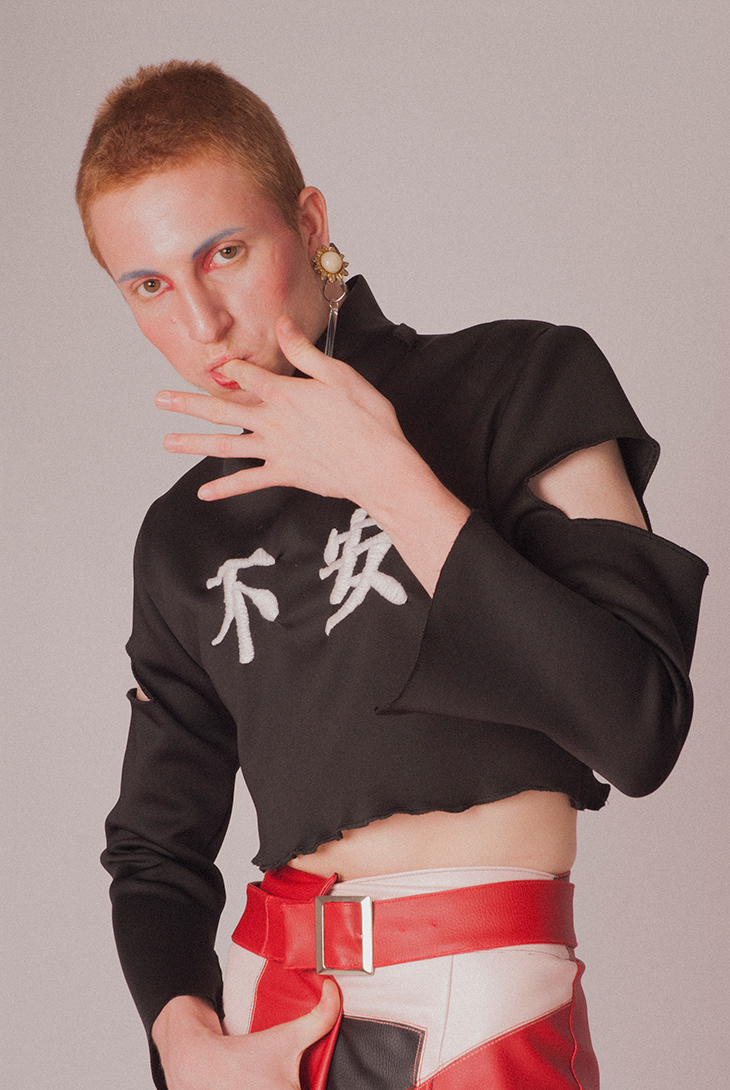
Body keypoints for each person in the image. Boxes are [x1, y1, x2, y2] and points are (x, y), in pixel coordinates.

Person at [77, 60, 707, 1090]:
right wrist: (185, 1044)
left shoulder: (521, 382)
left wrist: (387, 478)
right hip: (274, 1014)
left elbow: (639, 724)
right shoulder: (183, 537)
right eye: (149, 286)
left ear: (308, 222)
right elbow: (155, 848)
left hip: (482, 1002)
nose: (201, 322)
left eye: (224, 253)